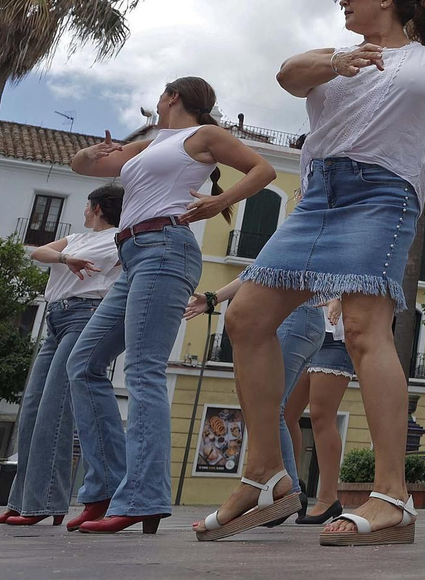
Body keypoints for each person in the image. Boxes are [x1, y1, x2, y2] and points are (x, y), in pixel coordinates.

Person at [205, 0, 425, 546]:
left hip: (384, 194)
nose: (343, 3)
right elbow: (286, 75)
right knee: (245, 316)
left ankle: (392, 495)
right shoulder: (332, 58)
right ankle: (264, 475)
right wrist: (337, 60)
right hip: (318, 196)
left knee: (363, 330)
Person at [67, 77, 276, 535]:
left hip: (166, 248)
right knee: (84, 364)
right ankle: (104, 489)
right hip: (133, 254)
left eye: (162, 94)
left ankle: (142, 497)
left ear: (173, 97)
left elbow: (263, 171)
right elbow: (84, 168)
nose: (158, 100)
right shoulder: (147, 145)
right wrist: (90, 155)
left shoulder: (201, 136)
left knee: (143, 369)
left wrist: (219, 201)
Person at [0, 185, 125, 526]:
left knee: (55, 408)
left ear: (97, 208)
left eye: (87, 205)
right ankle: (25, 499)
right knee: (33, 406)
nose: (84, 210)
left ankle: (40, 503)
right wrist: (67, 259)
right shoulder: (76, 239)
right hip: (54, 318)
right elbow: (37, 253)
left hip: (86, 314)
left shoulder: (119, 240)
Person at [183, 280, 324, 527]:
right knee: (276, 408)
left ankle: (283, 489)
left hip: (294, 317)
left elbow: (257, 271)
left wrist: (214, 297)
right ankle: (282, 488)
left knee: (271, 408)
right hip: (307, 320)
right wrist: (213, 298)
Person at [287, 298, 356, 525]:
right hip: (306, 330)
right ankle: (292, 489)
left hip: (334, 337)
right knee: (286, 413)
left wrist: (338, 299)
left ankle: (328, 498)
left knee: (321, 416)